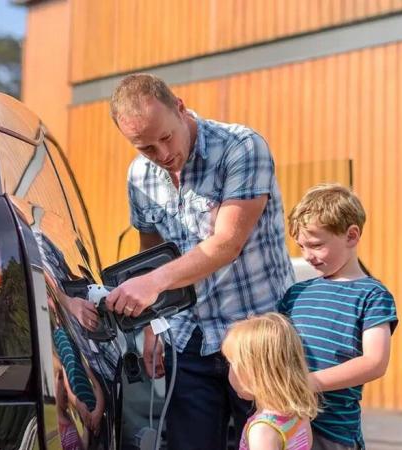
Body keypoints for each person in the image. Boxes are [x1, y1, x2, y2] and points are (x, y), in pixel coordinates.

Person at [105, 73, 295, 450]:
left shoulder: (241, 147)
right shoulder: (140, 176)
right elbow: (151, 258)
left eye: (166, 137)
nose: (162, 155)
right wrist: (151, 325)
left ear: (180, 107)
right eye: (146, 148)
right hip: (188, 337)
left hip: (258, 336)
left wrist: (153, 283)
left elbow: (226, 243)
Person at [278, 183, 398, 450]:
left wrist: (307, 383)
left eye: (316, 245)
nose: (307, 256)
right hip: (287, 424)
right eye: (301, 247)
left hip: (334, 434)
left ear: (351, 236)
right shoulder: (295, 293)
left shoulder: (373, 295)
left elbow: (375, 362)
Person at [222, 313, 318, 450]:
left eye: (230, 363)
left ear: (255, 374)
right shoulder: (299, 410)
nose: (229, 370)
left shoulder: (262, 431)